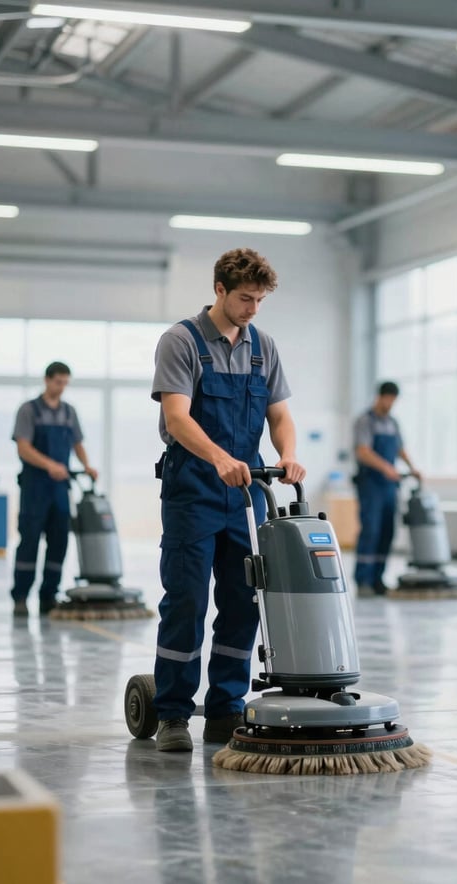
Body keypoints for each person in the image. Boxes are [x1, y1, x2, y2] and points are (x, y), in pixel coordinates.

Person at [151, 247, 306, 752]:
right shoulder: (181, 342)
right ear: (219, 290)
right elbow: (178, 418)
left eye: (260, 300)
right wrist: (218, 457)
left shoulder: (264, 347)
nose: (253, 309)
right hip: (192, 491)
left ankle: (225, 707)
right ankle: (173, 713)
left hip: (246, 495)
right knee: (187, 600)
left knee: (244, 602)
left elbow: (280, 416)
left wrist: (289, 455)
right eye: (245, 298)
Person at [11, 361, 98, 617]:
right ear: (47, 380)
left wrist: (87, 465)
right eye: (58, 382)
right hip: (34, 488)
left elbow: (77, 443)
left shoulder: (69, 412)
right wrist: (50, 465)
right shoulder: (29, 411)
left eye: (65, 383)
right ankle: (21, 597)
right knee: (29, 542)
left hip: (60, 488)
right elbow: (23, 448)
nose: (61, 388)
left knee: (59, 541)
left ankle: (48, 597)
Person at [352, 381, 420, 596]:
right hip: (371, 484)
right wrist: (386, 468)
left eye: (394, 400)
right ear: (380, 397)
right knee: (371, 530)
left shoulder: (393, 423)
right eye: (389, 399)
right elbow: (362, 451)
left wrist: (413, 468)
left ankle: (378, 579)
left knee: (387, 531)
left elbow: (400, 449)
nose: (391, 403)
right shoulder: (365, 421)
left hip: (390, 486)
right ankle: (363, 580)